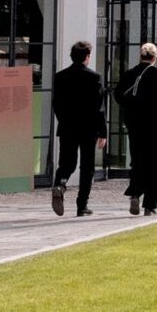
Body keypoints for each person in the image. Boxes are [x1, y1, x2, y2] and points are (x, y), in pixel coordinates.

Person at [115, 43, 157, 215]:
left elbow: (118, 94)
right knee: (156, 165)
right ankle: (150, 204)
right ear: (155, 57)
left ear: (141, 56)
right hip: (156, 128)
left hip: (135, 126)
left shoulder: (130, 74)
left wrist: (131, 109)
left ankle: (135, 192)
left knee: (138, 161)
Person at [51, 41, 107, 217]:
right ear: (87, 57)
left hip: (67, 127)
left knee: (67, 162)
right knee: (87, 166)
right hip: (88, 128)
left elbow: (56, 104)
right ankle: (82, 205)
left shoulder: (60, 77)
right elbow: (99, 108)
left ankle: (60, 183)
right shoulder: (94, 78)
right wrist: (103, 132)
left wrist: (64, 120)